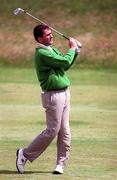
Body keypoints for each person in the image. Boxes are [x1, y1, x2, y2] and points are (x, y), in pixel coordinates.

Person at [16, 24, 80, 174]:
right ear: (39, 38)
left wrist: (75, 51)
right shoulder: (42, 53)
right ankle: (24, 154)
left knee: (65, 131)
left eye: (51, 34)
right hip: (52, 96)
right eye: (48, 35)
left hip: (64, 92)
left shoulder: (51, 49)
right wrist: (72, 48)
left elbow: (64, 66)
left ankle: (61, 164)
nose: (51, 36)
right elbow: (64, 61)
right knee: (52, 131)